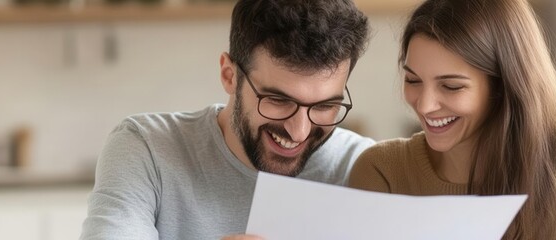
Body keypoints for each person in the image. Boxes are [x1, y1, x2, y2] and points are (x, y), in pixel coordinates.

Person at [80, 0, 373, 239]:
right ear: (229, 76)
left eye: (325, 106)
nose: (299, 131)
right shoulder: (146, 149)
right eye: (278, 100)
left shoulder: (364, 166)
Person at [348, 0, 556, 239]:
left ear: (504, 86)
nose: (425, 105)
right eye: (413, 80)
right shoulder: (382, 171)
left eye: (451, 86)